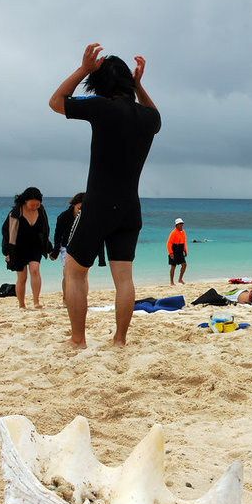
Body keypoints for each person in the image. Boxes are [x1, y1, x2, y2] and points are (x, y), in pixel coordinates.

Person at [49, 42, 161, 348]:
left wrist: (84, 69)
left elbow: (56, 102)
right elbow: (156, 115)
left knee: (74, 272)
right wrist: (139, 86)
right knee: (124, 278)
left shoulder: (100, 108)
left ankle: (78, 339)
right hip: (130, 208)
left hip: (99, 205)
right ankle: (119, 340)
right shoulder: (148, 119)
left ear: (101, 84)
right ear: (129, 83)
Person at [1, 187, 52, 309]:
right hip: (17, 248)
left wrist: (49, 248)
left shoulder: (41, 211)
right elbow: (6, 233)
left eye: (37, 204)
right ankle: (21, 304)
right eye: (32, 204)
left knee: (35, 270)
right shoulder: (15, 213)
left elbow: (45, 230)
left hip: (35, 246)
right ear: (25, 201)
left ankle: (36, 301)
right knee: (22, 277)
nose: (35, 207)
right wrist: (6, 252)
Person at [50, 193, 85, 306]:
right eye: (79, 208)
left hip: (82, 246)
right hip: (66, 247)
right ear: (74, 205)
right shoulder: (64, 216)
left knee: (83, 275)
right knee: (67, 273)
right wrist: (55, 252)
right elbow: (57, 235)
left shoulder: (89, 217)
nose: (81, 211)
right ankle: (66, 299)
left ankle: (82, 299)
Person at [167, 218, 187, 285]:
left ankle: (180, 279)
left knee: (184, 265)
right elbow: (169, 243)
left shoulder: (183, 232)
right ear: (176, 225)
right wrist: (170, 253)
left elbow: (184, 242)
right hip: (174, 249)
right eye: (180, 224)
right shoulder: (173, 232)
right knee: (173, 266)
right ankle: (172, 282)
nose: (181, 225)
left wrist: (185, 250)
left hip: (180, 250)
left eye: (182, 224)